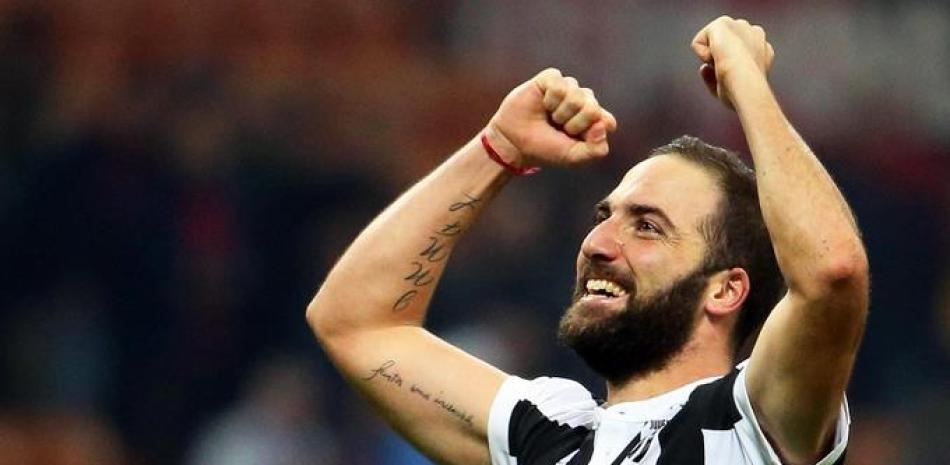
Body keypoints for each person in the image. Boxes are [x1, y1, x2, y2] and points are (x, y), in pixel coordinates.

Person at [307, 16, 868, 465]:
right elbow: (356, 323)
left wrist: (748, 83)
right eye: (607, 215)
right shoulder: (548, 432)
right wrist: (498, 147)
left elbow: (831, 273)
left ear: (724, 290)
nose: (598, 242)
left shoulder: (754, 421)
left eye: (646, 225)